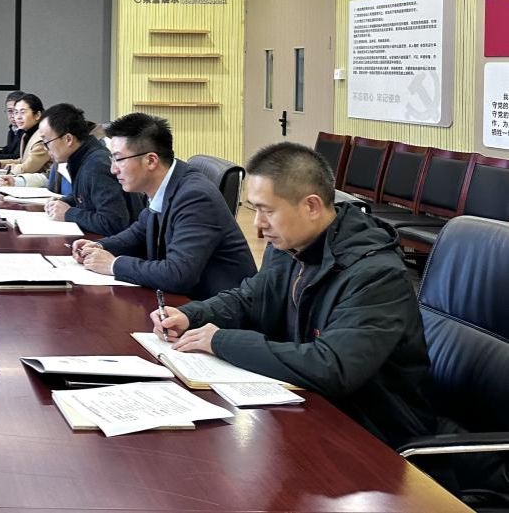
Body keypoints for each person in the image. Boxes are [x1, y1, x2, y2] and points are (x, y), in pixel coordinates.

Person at [151, 142, 437, 451]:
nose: (258, 224)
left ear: (311, 206)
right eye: (254, 209)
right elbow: (251, 297)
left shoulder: (376, 274)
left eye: (267, 210)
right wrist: (192, 315)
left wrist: (221, 341)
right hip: (308, 410)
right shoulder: (290, 244)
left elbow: (333, 367)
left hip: (375, 436)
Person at [72, 112, 255, 298]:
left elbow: (177, 274)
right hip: (183, 301)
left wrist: (113, 264)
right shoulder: (165, 182)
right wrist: (100, 246)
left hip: (216, 307)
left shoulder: (195, 197)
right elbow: (139, 231)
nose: (113, 169)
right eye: (111, 159)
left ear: (151, 160)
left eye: (119, 159)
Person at [21, 103, 129, 236]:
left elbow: (113, 223)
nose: (45, 148)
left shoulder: (96, 165)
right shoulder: (81, 157)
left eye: (46, 142)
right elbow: (87, 196)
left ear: (68, 139)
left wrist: (68, 213)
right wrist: (64, 201)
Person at [0, 93, 51, 177]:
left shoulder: (42, 138)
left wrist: (11, 168)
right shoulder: (26, 134)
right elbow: (23, 160)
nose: (18, 117)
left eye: (22, 112)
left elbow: (27, 168)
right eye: (16, 112)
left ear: (37, 115)